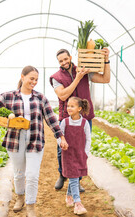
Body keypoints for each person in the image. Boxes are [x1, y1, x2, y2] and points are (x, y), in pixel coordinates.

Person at [0, 65, 68, 217]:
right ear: (22, 77)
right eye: (31, 78)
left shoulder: (40, 98)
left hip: (35, 139)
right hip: (15, 140)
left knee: (33, 175)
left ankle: (30, 207)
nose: (34, 82)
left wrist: (60, 137)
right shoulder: (10, 96)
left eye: (36, 79)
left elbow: (51, 119)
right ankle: (20, 198)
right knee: (19, 173)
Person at [50, 48, 110, 191]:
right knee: (62, 149)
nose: (64, 62)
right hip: (66, 118)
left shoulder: (85, 70)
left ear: (70, 57)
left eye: (66, 59)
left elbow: (105, 79)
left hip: (84, 117)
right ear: (58, 62)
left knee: (80, 149)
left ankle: (77, 180)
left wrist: (106, 60)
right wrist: (77, 78)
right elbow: (63, 96)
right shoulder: (56, 77)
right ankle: (62, 175)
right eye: (61, 61)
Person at [57, 96, 91, 215]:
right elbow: (59, 136)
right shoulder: (64, 122)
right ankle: (78, 203)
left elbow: (88, 139)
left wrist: (86, 153)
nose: (69, 108)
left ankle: (68, 196)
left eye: (72, 106)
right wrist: (62, 143)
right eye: (68, 106)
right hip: (68, 154)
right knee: (74, 177)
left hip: (80, 154)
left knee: (75, 176)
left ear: (79, 108)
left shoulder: (84, 123)